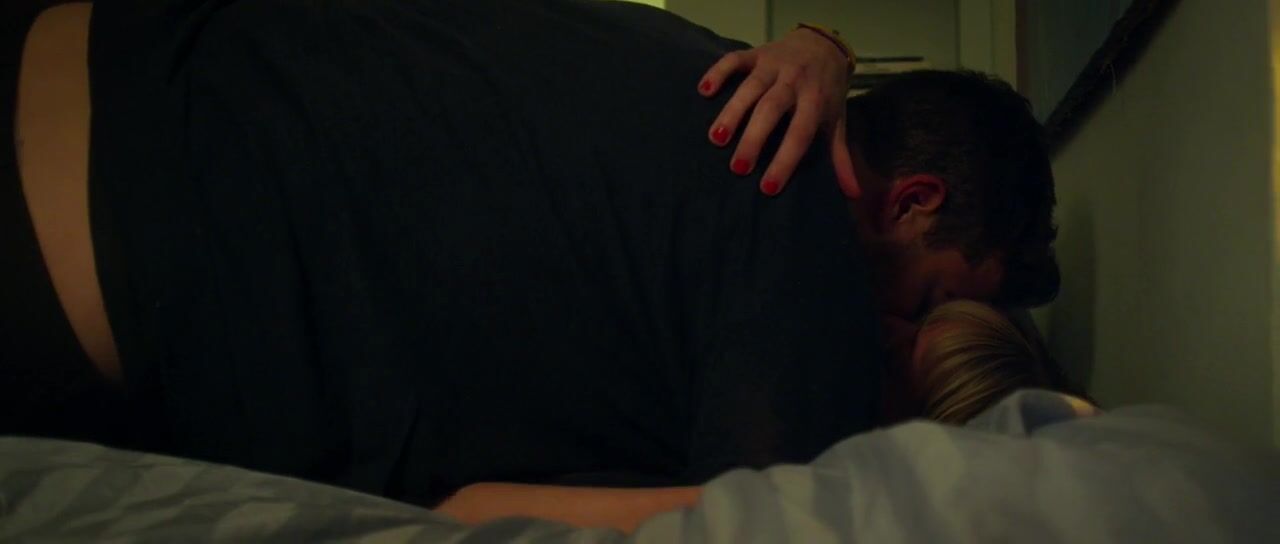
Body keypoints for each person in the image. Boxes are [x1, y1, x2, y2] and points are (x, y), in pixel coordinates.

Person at [3, 0, 1058, 508]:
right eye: (931, 298)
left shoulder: (691, 61)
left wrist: (825, 41)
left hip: (80, 46)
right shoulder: (807, 263)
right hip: (91, 260)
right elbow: (749, 531)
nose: (903, 330)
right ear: (912, 201)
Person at [434, 300, 1083, 532]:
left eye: (894, 360)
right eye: (914, 317)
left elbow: (469, 512)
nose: (880, 322)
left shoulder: (795, 491)